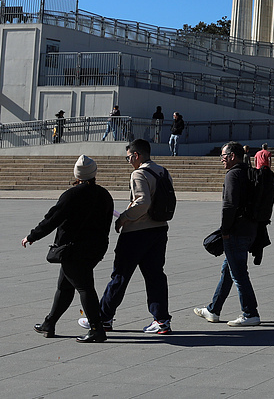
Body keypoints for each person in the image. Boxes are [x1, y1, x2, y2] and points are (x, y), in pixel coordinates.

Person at [84, 139, 173, 335]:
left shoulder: (139, 173)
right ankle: (161, 320)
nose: (129, 161)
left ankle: (103, 317)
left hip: (137, 232)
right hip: (159, 229)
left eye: (128, 157)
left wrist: (123, 218)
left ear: (136, 155)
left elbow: (142, 202)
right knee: (155, 276)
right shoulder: (163, 172)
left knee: (120, 275)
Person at [23, 155, 114, 342]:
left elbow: (52, 219)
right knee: (64, 287)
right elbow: (107, 223)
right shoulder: (104, 195)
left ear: (77, 174)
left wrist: (32, 236)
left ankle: (97, 329)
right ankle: (49, 323)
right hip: (95, 248)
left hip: (73, 250)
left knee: (85, 288)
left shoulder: (71, 195)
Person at [194, 141, 262, 326]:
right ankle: (213, 310)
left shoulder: (233, 175)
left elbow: (229, 205)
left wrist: (224, 231)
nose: (221, 160)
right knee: (228, 270)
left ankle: (250, 313)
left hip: (235, 232)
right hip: (250, 230)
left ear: (232, 156)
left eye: (223, 156)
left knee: (239, 274)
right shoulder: (249, 173)